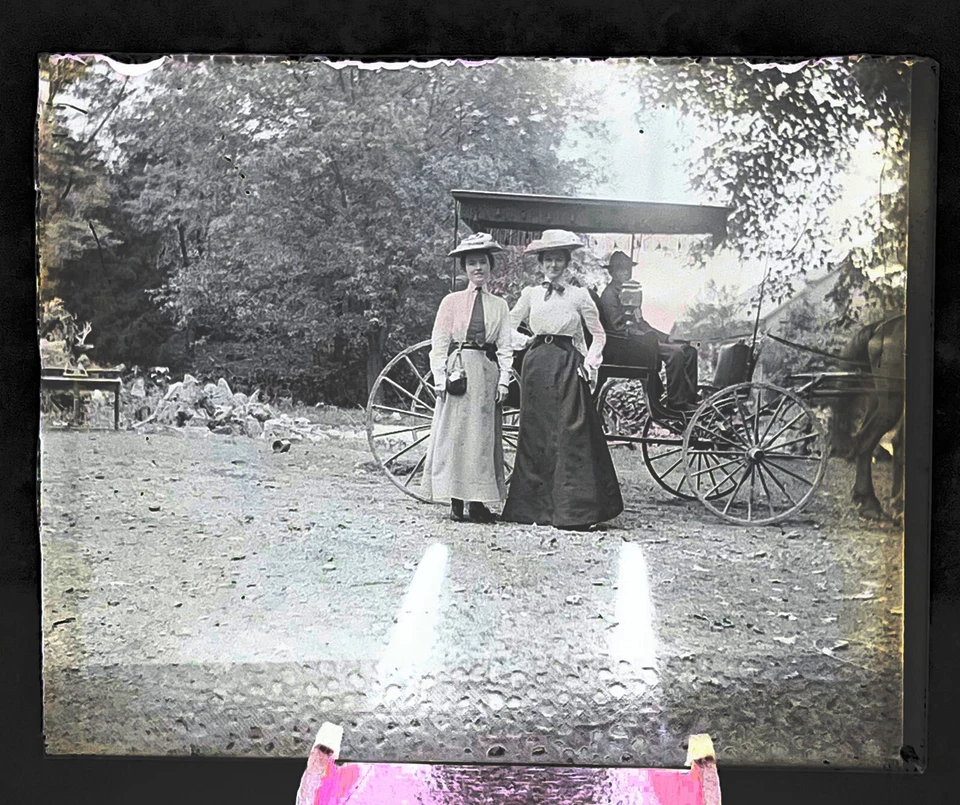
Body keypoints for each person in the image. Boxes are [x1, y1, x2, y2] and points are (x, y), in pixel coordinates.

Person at [500, 230, 624, 530]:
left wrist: (589, 363)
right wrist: (526, 342)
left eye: (558, 260)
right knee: (537, 433)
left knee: (572, 431)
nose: (553, 265)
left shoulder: (579, 295)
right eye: (548, 260)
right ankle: (532, 510)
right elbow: (507, 327)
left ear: (567, 263)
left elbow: (598, 335)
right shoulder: (530, 294)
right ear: (541, 263)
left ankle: (575, 512)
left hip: (567, 364)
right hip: (536, 367)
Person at [421, 232, 513, 523]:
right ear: (464, 268)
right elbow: (439, 341)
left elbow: (505, 346)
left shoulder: (499, 306)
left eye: (483, 262)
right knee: (455, 434)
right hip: (458, 371)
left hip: (485, 372)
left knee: (481, 437)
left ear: (490, 266)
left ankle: (477, 502)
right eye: (472, 263)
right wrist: (439, 378)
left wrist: (503, 380)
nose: (478, 268)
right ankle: (455, 500)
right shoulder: (451, 302)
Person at [597, 249, 699, 408]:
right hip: (626, 345)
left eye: (627, 268)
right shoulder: (609, 295)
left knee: (689, 351)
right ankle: (677, 403)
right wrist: (649, 337)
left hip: (640, 341)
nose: (625, 272)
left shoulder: (630, 292)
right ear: (612, 272)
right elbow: (619, 328)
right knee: (676, 353)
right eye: (620, 269)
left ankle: (689, 400)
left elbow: (641, 323)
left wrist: (666, 338)